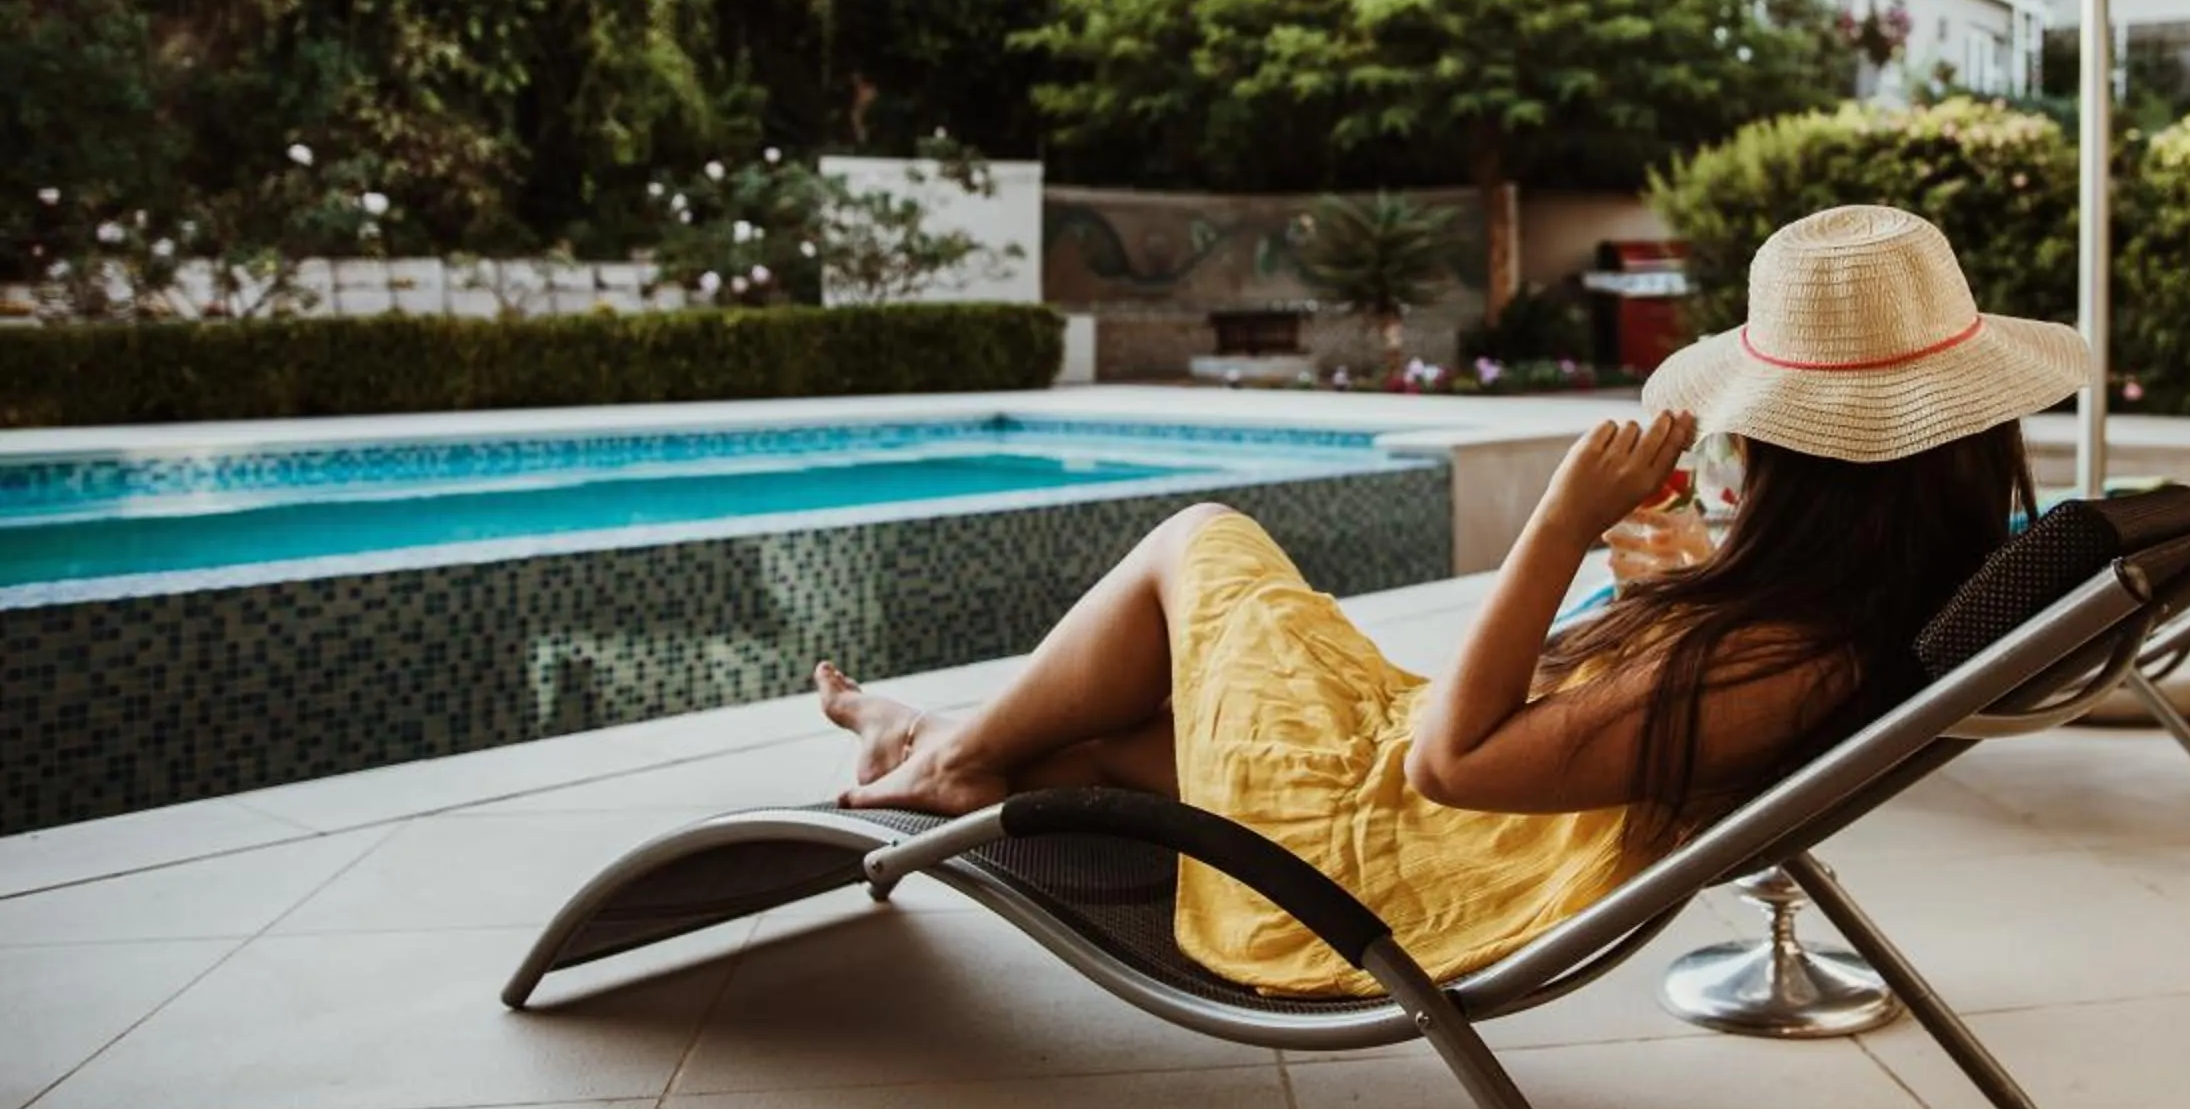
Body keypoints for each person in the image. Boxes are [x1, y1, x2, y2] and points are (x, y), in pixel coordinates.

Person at [815, 204, 2086, 993]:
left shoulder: (1784, 664)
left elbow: (1452, 762)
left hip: (1402, 847)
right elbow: (1624, 711)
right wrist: (1692, 575)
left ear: (1803, 463)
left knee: (1204, 538)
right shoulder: (1864, 608)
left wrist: (1559, 520)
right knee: (1103, 745)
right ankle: (946, 748)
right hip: (1423, 790)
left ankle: (949, 756)